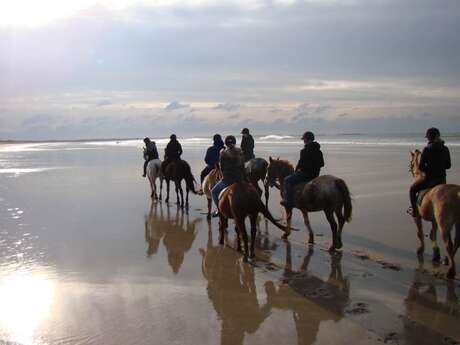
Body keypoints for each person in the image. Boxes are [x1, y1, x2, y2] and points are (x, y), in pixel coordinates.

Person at [408, 127, 451, 217]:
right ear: (438, 136)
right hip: (442, 180)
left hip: (430, 180)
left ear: (429, 138)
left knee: (412, 189)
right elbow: (448, 166)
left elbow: (421, 167)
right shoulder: (445, 149)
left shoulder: (427, 149)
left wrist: (429, 169)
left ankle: (415, 212)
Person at [280, 131, 324, 209]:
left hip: (306, 174)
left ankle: (288, 201)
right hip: (316, 174)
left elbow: (301, 164)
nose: (303, 141)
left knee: (287, 180)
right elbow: (322, 164)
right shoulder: (319, 151)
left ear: (307, 139)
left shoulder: (304, 151)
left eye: (304, 139)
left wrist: (297, 171)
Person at [211, 135, 245, 210]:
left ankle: (219, 209)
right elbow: (243, 166)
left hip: (228, 180)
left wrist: (223, 177)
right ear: (235, 142)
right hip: (239, 179)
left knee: (214, 192)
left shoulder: (223, 153)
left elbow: (222, 168)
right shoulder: (240, 152)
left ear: (226, 143)